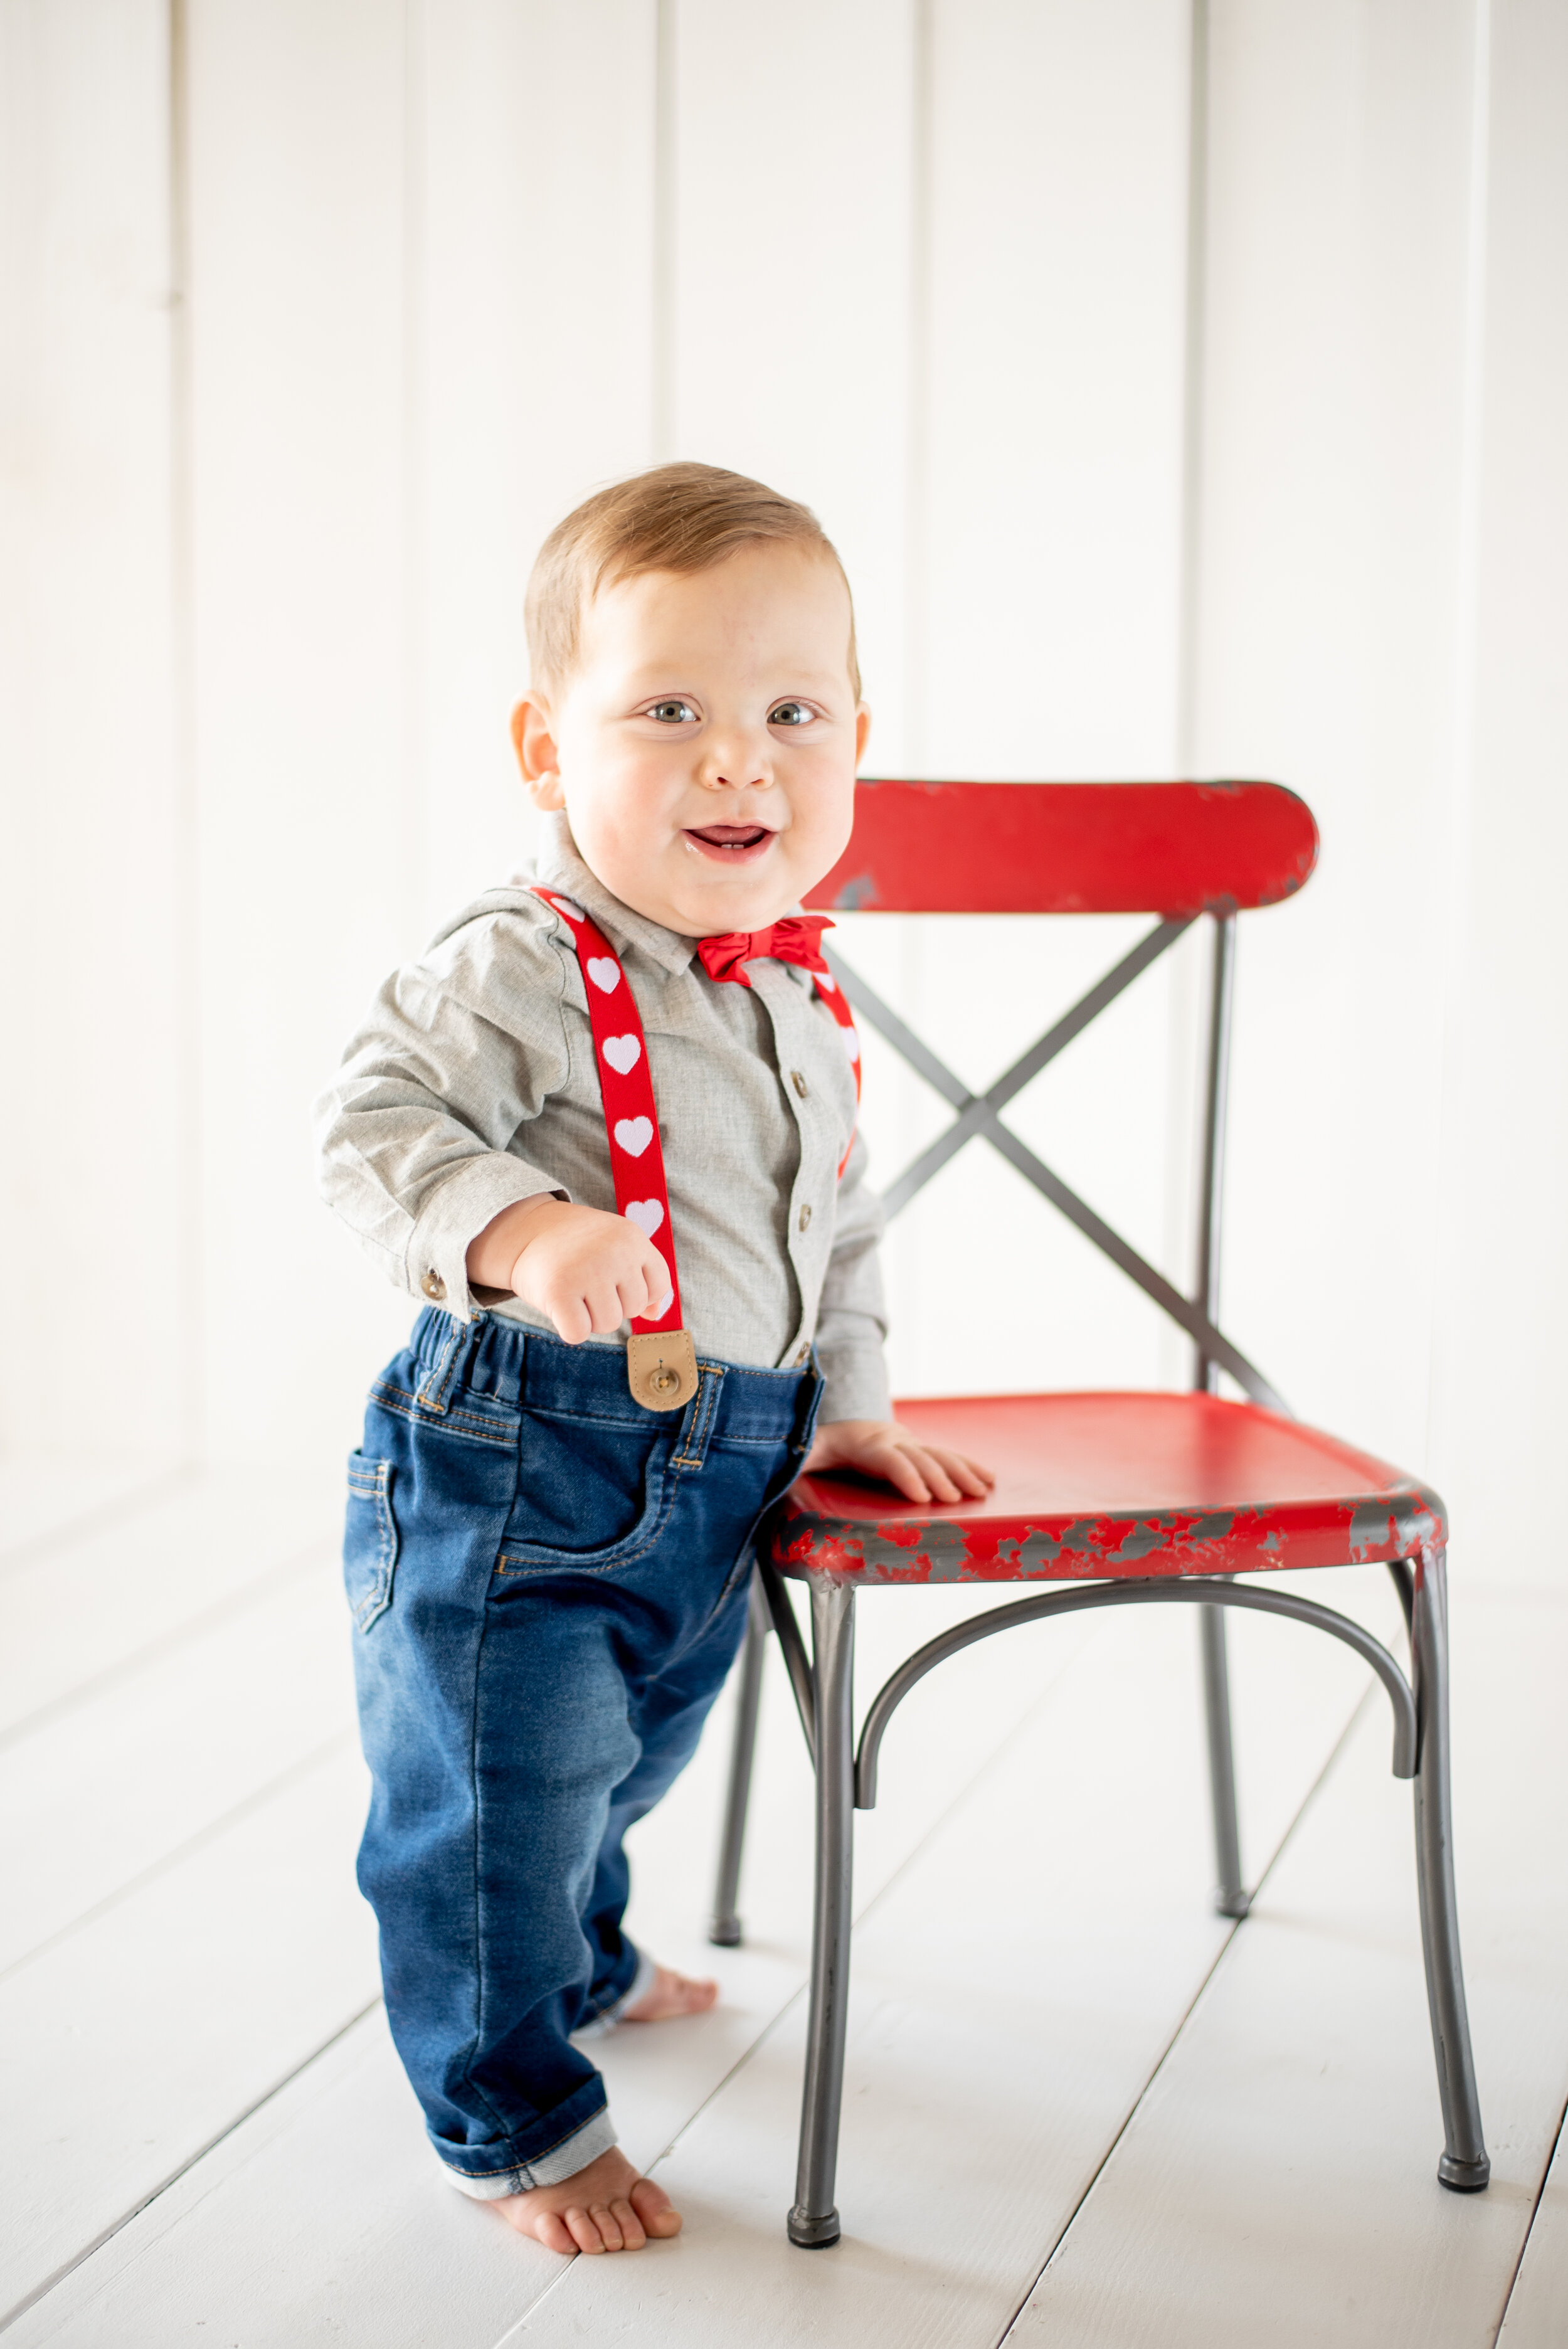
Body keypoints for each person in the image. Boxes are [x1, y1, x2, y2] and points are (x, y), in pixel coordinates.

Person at [315, 463, 991, 2257]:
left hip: (726, 1473)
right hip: (514, 1476)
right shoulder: (518, 963)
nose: (737, 761)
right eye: (668, 711)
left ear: (858, 737)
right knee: (493, 1797)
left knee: (623, 1759)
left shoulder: (799, 992)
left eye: (792, 713)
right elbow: (371, 1126)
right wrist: (522, 1232)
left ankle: (587, 1947)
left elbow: (835, 1225)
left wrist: (850, 1408)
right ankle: (513, 2117)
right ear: (547, 751)